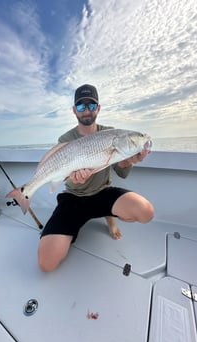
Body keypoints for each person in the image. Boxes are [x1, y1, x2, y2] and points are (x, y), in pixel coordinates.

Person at [38, 84, 154, 272]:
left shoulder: (111, 133)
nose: (86, 110)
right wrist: (75, 179)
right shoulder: (66, 138)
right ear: (74, 110)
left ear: (98, 108)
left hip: (102, 193)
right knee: (46, 263)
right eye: (81, 106)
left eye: (91, 105)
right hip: (73, 197)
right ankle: (74, 227)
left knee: (146, 211)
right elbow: (65, 174)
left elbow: (121, 172)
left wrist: (129, 160)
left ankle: (110, 219)